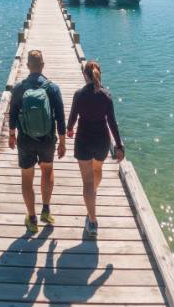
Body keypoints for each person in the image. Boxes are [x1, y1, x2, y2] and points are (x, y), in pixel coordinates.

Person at [8, 50, 66, 233]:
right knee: (47, 170)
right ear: (42, 65)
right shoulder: (52, 88)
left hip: (25, 139)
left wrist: (11, 135)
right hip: (47, 139)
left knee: (27, 176)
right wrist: (62, 141)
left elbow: (12, 115)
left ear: (27, 66)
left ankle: (32, 219)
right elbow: (61, 118)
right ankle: (46, 211)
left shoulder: (18, 88)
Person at [65, 60, 123, 239]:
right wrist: (119, 146)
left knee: (87, 182)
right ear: (99, 75)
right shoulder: (106, 95)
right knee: (97, 171)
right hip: (102, 142)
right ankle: (92, 196)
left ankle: (92, 221)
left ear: (85, 75)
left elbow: (72, 118)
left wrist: (69, 129)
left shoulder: (78, 95)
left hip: (83, 141)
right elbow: (112, 123)